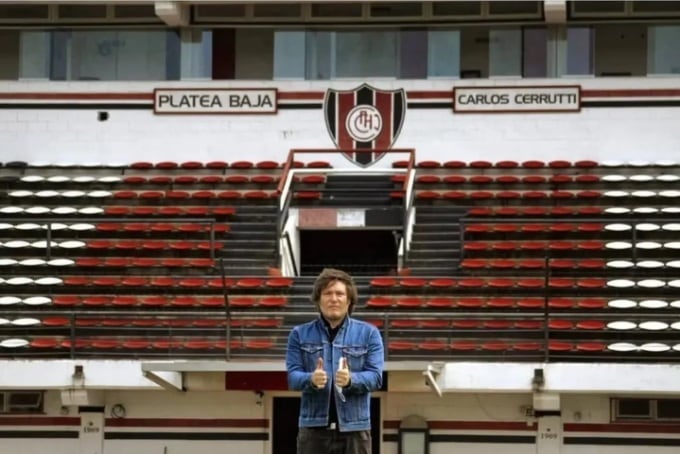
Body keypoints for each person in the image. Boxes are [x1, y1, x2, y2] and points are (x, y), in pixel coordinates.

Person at [286, 268, 384, 454]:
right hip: (313, 430)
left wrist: (351, 380)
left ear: (349, 300)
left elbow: (376, 378)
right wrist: (311, 380)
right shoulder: (298, 334)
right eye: (327, 293)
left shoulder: (369, 334)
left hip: (355, 430)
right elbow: (292, 377)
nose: (334, 299)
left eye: (340, 294)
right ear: (318, 299)